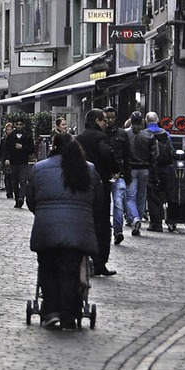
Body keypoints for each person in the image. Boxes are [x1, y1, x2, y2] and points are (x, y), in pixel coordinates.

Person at [26, 133, 100, 330]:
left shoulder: (40, 168)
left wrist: (42, 213)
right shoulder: (89, 170)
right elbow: (97, 201)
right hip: (77, 230)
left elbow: (31, 200)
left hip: (47, 230)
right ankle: (69, 316)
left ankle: (51, 311)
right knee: (71, 271)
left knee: (48, 269)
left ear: (53, 146)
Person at [76, 108, 120, 276]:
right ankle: (99, 262)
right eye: (103, 120)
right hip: (100, 184)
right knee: (101, 224)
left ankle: (82, 259)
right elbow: (107, 154)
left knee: (85, 221)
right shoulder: (100, 137)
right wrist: (114, 168)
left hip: (82, 185)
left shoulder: (79, 138)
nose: (105, 123)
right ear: (97, 121)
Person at [103, 106, 132, 246]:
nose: (109, 120)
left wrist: (127, 175)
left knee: (118, 203)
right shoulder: (100, 133)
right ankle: (107, 228)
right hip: (103, 174)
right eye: (107, 117)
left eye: (112, 118)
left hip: (119, 174)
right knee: (104, 203)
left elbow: (127, 156)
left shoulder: (122, 134)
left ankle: (118, 230)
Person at [143, 111, 175, 232]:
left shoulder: (145, 134)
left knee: (152, 195)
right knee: (166, 194)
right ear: (158, 120)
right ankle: (170, 220)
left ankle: (155, 223)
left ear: (146, 120)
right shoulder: (165, 134)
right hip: (165, 168)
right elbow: (171, 150)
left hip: (151, 168)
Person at [126, 111, 151, 234]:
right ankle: (138, 218)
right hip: (145, 169)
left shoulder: (125, 134)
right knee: (141, 196)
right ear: (142, 121)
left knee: (130, 197)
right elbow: (154, 154)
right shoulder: (148, 135)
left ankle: (134, 218)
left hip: (131, 169)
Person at [3, 117, 35, 209]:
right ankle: (17, 199)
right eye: (17, 124)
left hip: (23, 162)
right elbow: (7, 149)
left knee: (23, 181)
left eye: (21, 124)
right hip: (13, 162)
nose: (19, 126)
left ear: (23, 125)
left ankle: (21, 197)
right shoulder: (11, 136)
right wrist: (6, 158)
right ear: (15, 125)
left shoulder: (27, 136)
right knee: (15, 182)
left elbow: (31, 149)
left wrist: (22, 147)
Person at [0, 122, 14, 199]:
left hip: (13, 160)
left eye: (10, 129)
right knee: (7, 176)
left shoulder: (14, 138)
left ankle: (11, 191)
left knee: (11, 176)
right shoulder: (4, 139)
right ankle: (8, 192)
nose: (9, 131)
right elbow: (1, 150)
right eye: (7, 129)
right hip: (5, 160)